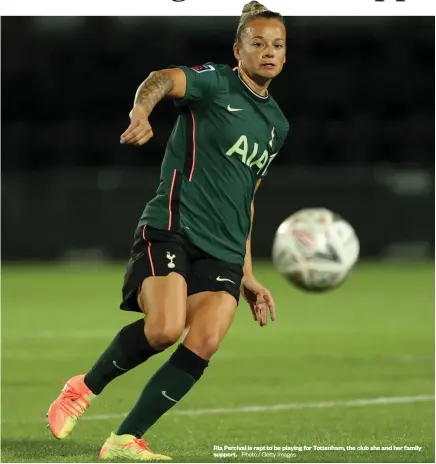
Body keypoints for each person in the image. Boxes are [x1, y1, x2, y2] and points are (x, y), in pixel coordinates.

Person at [47, 1, 290, 460]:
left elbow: (246, 200)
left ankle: (123, 440)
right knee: (163, 328)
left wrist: (248, 273)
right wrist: (142, 111)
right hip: (173, 227)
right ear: (237, 49)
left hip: (224, 250)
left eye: (277, 45)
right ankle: (82, 388)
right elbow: (160, 78)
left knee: (206, 339)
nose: (268, 52)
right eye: (257, 43)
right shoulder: (214, 82)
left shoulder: (277, 124)